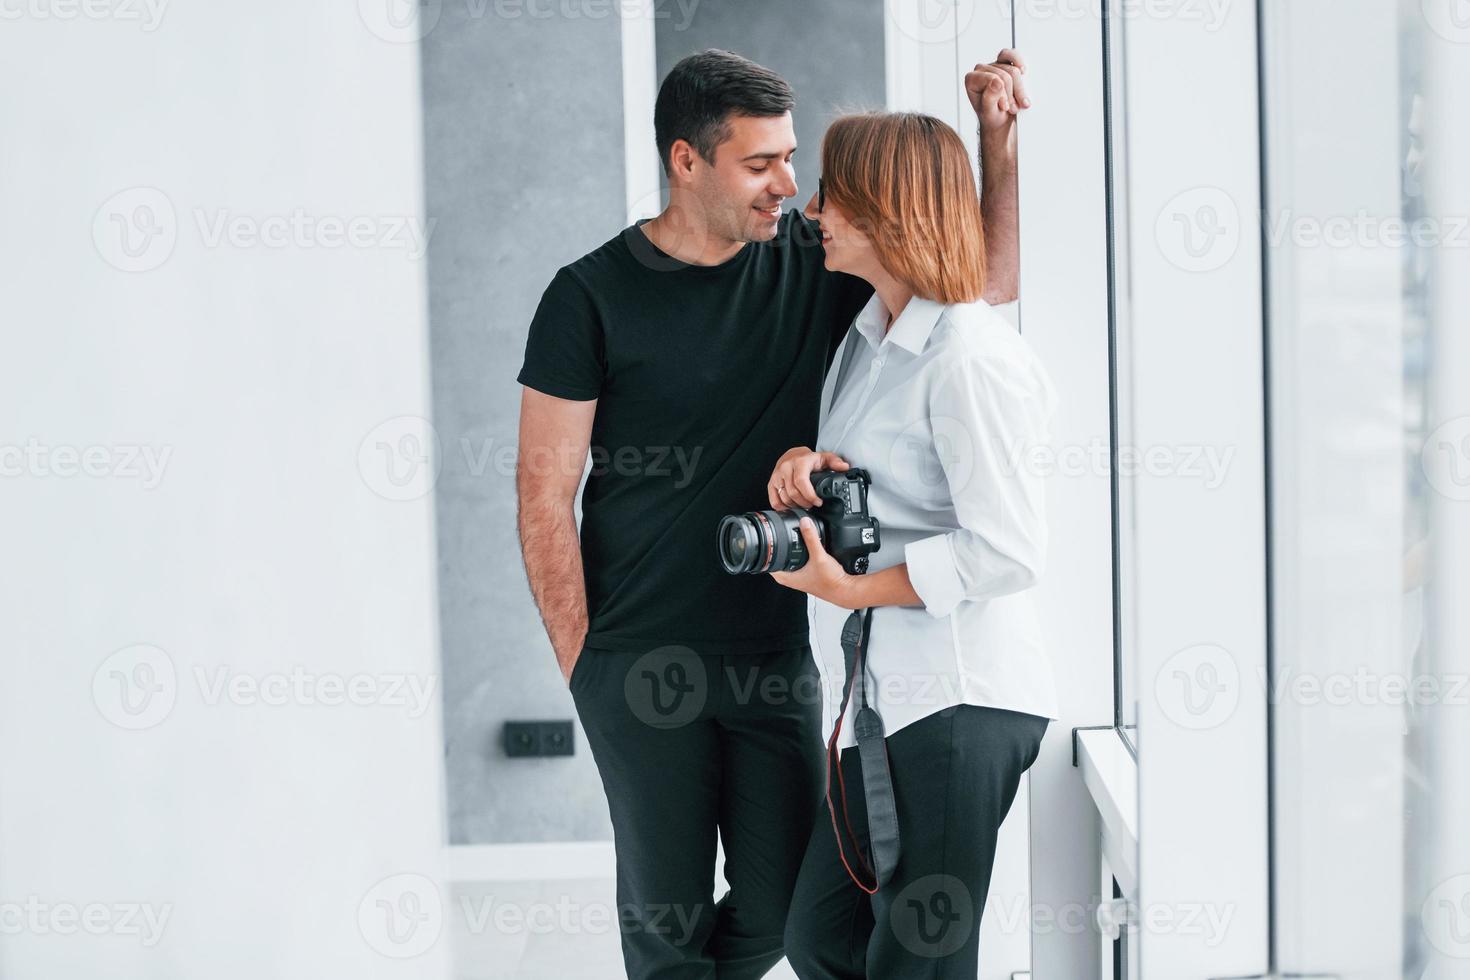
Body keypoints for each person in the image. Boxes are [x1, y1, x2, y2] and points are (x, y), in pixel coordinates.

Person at [515, 48, 1032, 980]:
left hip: (774, 651)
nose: (789, 188)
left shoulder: (814, 263)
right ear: (686, 161)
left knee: (784, 911)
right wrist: (581, 662)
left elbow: (975, 285)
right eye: (761, 165)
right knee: (665, 924)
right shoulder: (586, 297)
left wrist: (999, 145)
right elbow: (543, 493)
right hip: (636, 660)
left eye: (791, 159)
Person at [761, 110, 1059, 979]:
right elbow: (880, 483)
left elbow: (1008, 550)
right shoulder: (867, 343)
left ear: (889, 212)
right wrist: (804, 463)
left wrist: (852, 591)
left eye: (832, 195)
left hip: (958, 703)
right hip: (881, 706)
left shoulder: (968, 356)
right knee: (821, 940)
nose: (812, 209)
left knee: (917, 962)